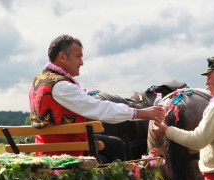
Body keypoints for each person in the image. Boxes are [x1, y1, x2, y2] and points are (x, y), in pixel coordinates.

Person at [29, 34, 165, 163]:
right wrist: (140, 113)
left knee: (112, 142)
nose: (81, 63)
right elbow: (99, 109)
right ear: (63, 56)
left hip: (47, 146)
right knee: (118, 145)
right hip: (65, 148)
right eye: (78, 57)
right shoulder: (61, 86)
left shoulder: (40, 80)